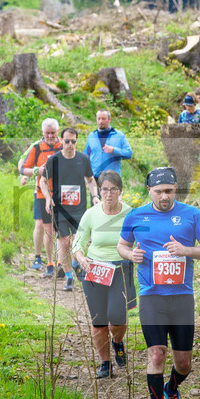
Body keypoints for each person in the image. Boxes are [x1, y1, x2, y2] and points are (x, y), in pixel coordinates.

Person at [117, 167, 200, 399]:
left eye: (169, 191)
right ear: (149, 191)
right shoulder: (136, 216)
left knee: (184, 364)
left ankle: (171, 389)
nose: (164, 196)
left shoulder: (192, 215)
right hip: (151, 295)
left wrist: (186, 250)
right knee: (156, 354)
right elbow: (122, 245)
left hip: (181, 297)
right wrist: (130, 254)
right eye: (159, 192)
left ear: (176, 188)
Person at [72, 171, 136, 379]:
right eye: (105, 189)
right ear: (100, 191)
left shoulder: (130, 214)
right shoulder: (91, 214)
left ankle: (117, 342)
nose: (109, 194)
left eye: (113, 189)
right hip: (94, 270)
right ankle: (105, 364)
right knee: (99, 321)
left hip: (121, 269)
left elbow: (142, 240)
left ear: (121, 191)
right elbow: (77, 244)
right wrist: (81, 259)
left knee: (117, 318)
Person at [41, 127, 98, 292]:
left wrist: (94, 196)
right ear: (61, 140)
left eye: (73, 141)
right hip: (59, 209)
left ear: (76, 142)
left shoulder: (83, 159)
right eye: (67, 141)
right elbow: (43, 182)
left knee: (78, 243)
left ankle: (74, 263)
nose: (70, 144)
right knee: (64, 243)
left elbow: (90, 180)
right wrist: (47, 198)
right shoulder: (54, 160)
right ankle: (68, 277)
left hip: (79, 209)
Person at [17, 118, 61, 275]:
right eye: (47, 133)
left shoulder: (63, 145)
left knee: (59, 227)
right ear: (42, 132)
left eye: (53, 133)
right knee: (41, 224)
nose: (50, 136)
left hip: (61, 193)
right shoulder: (36, 147)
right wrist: (37, 171)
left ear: (58, 131)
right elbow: (23, 168)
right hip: (42, 192)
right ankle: (38, 256)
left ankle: (60, 261)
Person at [83, 109, 134, 178]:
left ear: (109, 119)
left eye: (103, 119)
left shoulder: (119, 135)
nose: (101, 121)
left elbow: (128, 153)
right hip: (95, 178)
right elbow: (86, 156)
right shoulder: (91, 136)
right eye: (99, 119)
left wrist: (114, 150)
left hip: (112, 178)